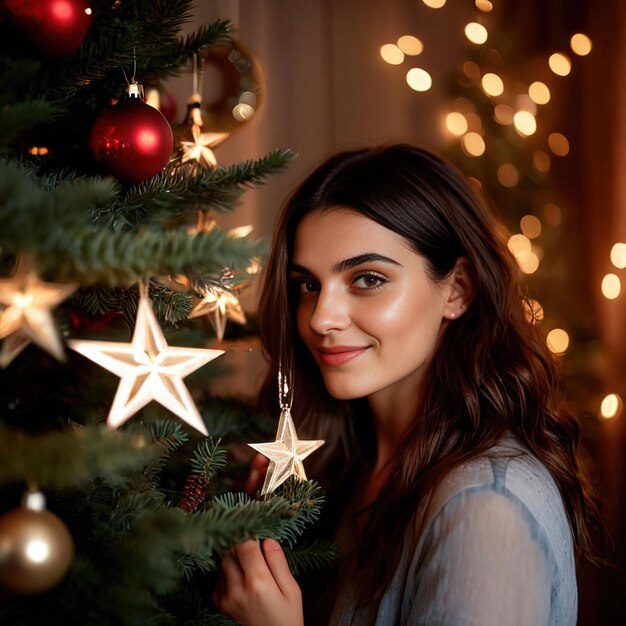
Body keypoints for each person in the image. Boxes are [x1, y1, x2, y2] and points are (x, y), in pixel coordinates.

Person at [213, 145, 599, 625]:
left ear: (457, 290)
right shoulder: (349, 466)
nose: (320, 318)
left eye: (368, 279)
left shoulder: (485, 509)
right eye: (308, 285)